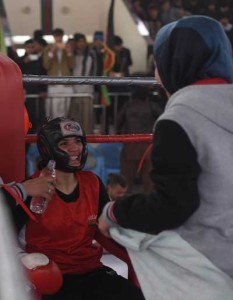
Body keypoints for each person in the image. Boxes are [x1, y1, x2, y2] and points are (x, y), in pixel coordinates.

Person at [98, 15, 233, 299]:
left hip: (211, 263)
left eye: (157, 59)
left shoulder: (179, 117)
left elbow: (172, 206)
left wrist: (114, 213)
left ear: (175, 61)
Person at [12, 117, 145, 300]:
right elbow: (5, 240)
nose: (74, 148)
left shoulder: (93, 183)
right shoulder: (30, 189)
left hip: (91, 270)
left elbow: (106, 229)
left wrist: (138, 248)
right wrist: (27, 262)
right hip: (52, 277)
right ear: (47, 148)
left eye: (78, 141)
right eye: (64, 143)